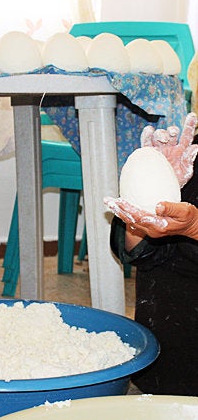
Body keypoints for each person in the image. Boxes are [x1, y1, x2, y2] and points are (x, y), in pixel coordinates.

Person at [105, 112, 198, 396]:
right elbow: (139, 253)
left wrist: (194, 228)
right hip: (168, 368)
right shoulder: (189, 154)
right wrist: (149, 203)